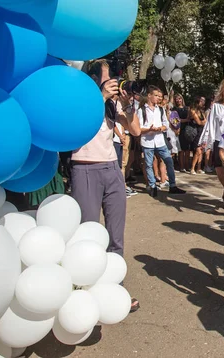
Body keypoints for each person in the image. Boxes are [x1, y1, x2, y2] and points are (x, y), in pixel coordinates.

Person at [72, 59, 142, 312]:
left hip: (112, 169)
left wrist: (127, 105)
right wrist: (101, 97)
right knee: (88, 232)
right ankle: (83, 290)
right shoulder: (81, 100)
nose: (112, 81)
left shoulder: (112, 104)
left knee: (116, 234)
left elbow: (135, 131)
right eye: (106, 77)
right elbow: (76, 128)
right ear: (93, 80)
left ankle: (115, 286)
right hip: (85, 167)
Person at [139, 85, 186, 197]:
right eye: (156, 96)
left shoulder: (160, 110)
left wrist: (161, 128)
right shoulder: (141, 110)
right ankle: (152, 186)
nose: (159, 98)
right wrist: (149, 130)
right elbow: (139, 128)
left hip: (160, 141)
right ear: (149, 96)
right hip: (147, 141)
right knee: (149, 164)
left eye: (160, 96)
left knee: (169, 161)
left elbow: (166, 124)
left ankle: (172, 185)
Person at [189, 96, 207, 174]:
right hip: (196, 131)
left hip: (202, 131)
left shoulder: (201, 111)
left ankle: (198, 168)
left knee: (201, 150)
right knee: (197, 150)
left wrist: (204, 122)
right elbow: (199, 122)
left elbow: (205, 121)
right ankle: (192, 168)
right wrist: (204, 122)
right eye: (201, 101)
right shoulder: (193, 111)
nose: (202, 103)